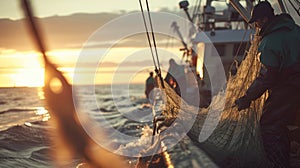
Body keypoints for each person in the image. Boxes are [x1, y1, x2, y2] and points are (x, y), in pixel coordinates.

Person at [235, 1, 300, 167]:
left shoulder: (270, 42)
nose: (256, 25)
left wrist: (247, 98)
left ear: (264, 20)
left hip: (289, 87)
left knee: (270, 125)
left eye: (256, 21)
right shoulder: (296, 30)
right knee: (288, 123)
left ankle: (279, 164)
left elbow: (267, 77)